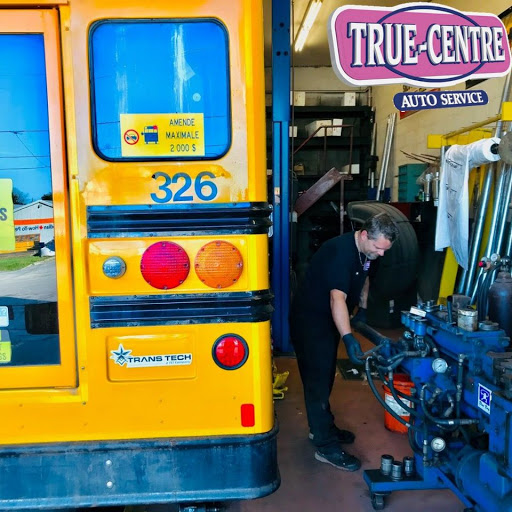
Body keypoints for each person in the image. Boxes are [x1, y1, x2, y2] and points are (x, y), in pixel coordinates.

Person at [289, 213, 399, 471]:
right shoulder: (340, 253)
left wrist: (362, 309)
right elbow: (336, 298)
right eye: (378, 248)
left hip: (329, 321)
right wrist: (349, 338)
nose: (381, 254)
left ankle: (323, 427)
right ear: (365, 235)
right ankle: (324, 446)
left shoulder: (367, 252)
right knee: (317, 381)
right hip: (311, 322)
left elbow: (365, 276)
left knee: (326, 375)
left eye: (385, 249)